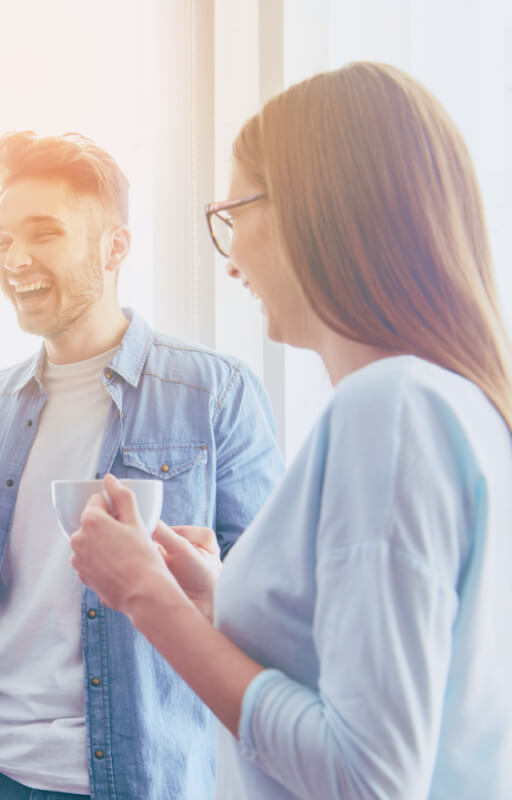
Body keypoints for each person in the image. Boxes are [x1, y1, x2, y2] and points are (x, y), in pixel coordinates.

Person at [68, 61, 512, 799]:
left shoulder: (390, 409)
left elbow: (365, 778)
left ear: (314, 206)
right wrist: (222, 601)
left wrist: (147, 596)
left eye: (233, 212)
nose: (232, 251)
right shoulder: (463, 408)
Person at [0, 132, 284, 799]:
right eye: (2, 241)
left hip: (132, 777)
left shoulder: (214, 393)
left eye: (44, 234)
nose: (17, 259)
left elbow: (264, 610)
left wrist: (179, 580)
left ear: (114, 246)